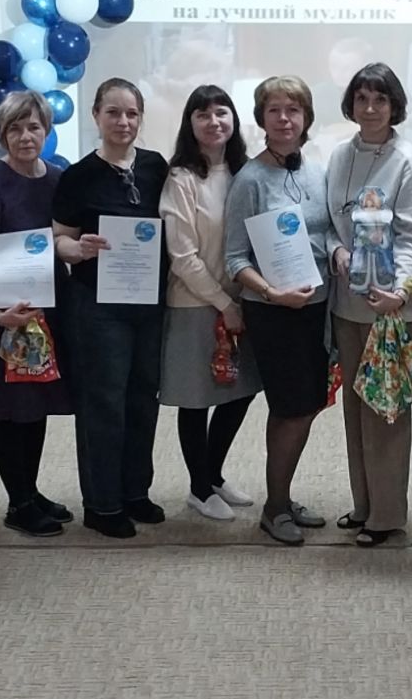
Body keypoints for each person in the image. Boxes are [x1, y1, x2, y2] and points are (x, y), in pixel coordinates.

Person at [52, 78, 169, 539]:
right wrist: (76, 249)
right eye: (113, 112)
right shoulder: (78, 176)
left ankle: (135, 492)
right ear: (96, 116)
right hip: (97, 307)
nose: (123, 122)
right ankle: (102, 504)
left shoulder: (157, 168)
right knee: (103, 402)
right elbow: (58, 238)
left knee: (143, 398)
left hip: (149, 304)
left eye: (131, 113)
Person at [323, 64, 412, 547]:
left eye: (380, 100)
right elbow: (329, 223)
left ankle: (387, 516)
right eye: (362, 98)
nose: (370, 108)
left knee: (385, 411)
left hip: (391, 308)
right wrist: (336, 251)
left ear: (394, 106)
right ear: (351, 104)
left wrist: (401, 293)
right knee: (355, 407)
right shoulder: (340, 155)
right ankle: (364, 504)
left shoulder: (407, 162)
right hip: (348, 304)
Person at [223, 76, 333, 546]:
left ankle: (282, 497)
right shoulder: (250, 180)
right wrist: (271, 293)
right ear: (261, 119)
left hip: (317, 309)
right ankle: (274, 508)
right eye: (274, 110)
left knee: (307, 406)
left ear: (306, 117)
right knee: (291, 408)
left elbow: (328, 233)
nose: (284, 119)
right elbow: (234, 259)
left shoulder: (317, 172)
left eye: (293, 109)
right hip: (274, 312)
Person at [0, 91, 74, 538]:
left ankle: (30, 491)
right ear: (2, 134)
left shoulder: (57, 179)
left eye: (33, 127)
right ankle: (18, 503)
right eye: (15, 128)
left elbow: (66, 238)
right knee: (13, 410)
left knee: (39, 405)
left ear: (47, 130)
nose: (26, 136)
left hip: (49, 311)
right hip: (6, 315)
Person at [159, 85, 262, 522]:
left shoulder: (246, 172)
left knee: (241, 391)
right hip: (196, 303)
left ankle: (213, 475)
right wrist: (223, 303)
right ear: (190, 124)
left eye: (222, 112)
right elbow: (182, 256)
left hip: (243, 298)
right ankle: (199, 489)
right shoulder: (182, 178)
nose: (213, 121)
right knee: (197, 398)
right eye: (202, 114)